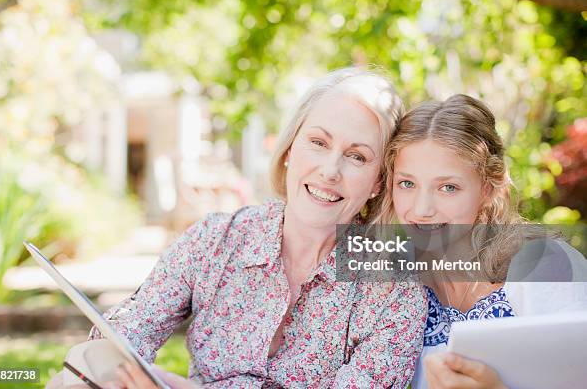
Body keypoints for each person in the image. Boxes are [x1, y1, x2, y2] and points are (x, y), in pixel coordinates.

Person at [52, 67, 427, 388]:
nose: (330, 170)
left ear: (379, 181)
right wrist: (118, 368)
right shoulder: (216, 239)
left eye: (357, 156)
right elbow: (129, 331)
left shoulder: (396, 285)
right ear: (290, 149)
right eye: (318, 142)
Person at [378, 94, 587, 389]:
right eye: (407, 184)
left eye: (448, 187)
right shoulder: (395, 285)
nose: (421, 209)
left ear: (488, 189)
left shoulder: (543, 265)